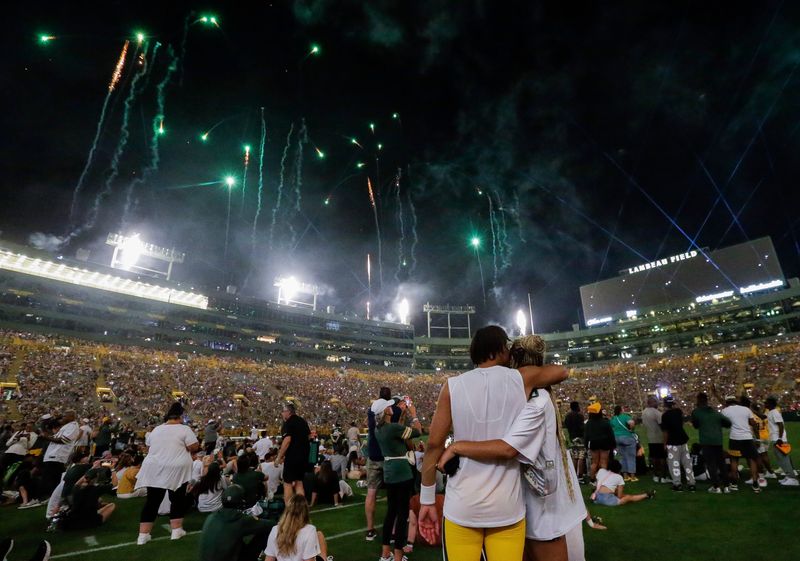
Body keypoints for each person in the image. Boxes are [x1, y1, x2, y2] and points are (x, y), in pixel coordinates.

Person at [418, 325, 568, 560]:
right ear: (499, 348)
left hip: (462, 505)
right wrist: (527, 366)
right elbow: (562, 372)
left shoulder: (452, 386)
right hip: (507, 507)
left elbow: (434, 445)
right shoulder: (521, 378)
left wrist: (427, 499)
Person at [134, 401, 199, 545]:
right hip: (176, 468)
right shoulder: (184, 429)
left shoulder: (157, 429)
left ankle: (143, 535)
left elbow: (149, 445)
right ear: (180, 417)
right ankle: (176, 531)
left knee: (152, 501)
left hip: (154, 467)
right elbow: (194, 446)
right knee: (177, 499)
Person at [375, 398, 422, 561]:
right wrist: (414, 415)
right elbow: (417, 431)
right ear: (386, 411)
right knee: (402, 516)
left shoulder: (379, 429)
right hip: (402, 473)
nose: (392, 406)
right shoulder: (392, 428)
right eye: (389, 406)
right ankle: (398, 556)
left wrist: (402, 416)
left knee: (390, 513)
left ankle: (385, 554)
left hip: (389, 473)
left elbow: (398, 431)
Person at [199, 484, 275, 561]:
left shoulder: (211, 517)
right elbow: (270, 525)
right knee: (267, 531)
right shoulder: (239, 519)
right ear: (241, 501)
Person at [264, 495, 333, 561]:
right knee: (319, 535)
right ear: (305, 512)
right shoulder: (310, 530)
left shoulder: (275, 529)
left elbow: (269, 559)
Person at [690, 392, 731, 493]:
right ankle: (726, 486)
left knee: (711, 464)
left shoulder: (696, 412)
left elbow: (695, 425)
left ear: (698, 401)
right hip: (718, 441)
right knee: (721, 463)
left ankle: (716, 487)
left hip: (706, 441)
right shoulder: (715, 412)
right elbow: (728, 423)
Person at [364, 386, 391, 542]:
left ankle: (369, 530)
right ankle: (392, 531)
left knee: (371, 493)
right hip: (387, 456)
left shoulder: (371, 410)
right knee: (392, 494)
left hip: (373, 456)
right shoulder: (389, 410)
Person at [721, 395, 762, 493]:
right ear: (736, 401)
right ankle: (755, 483)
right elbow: (754, 424)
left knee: (734, 460)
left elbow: (723, 424)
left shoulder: (725, 411)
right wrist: (758, 439)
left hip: (734, 438)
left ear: (726, 402)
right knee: (752, 460)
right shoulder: (746, 409)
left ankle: (734, 484)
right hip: (747, 438)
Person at [39, 410, 80, 500]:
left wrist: (46, 437)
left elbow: (63, 440)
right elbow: (55, 437)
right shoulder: (66, 426)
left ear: (71, 417)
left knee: (52, 479)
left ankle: (53, 497)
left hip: (57, 456)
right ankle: (55, 497)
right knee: (52, 478)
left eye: (65, 416)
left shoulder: (73, 426)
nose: (63, 418)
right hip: (53, 455)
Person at [274, 403, 310, 500]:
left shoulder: (288, 423)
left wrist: (279, 457)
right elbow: (308, 437)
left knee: (287, 483)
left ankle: (289, 510)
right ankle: (301, 509)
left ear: (288, 412)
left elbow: (287, 440)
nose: (282, 414)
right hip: (304, 457)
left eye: (283, 411)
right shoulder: (303, 421)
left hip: (292, 457)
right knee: (299, 482)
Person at [660, 396, 695, 492]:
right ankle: (691, 483)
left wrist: (664, 443)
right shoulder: (678, 412)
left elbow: (665, 432)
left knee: (674, 464)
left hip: (673, 442)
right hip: (683, 440)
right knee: (687, 463)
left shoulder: (665, 415)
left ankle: (677, 484)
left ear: (664, 404)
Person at [765, 396, 799, 486]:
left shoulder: (774, 412)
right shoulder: (771, 412)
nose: (765, 404)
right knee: (780, 460)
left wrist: (780, 438)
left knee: (784, 459)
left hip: (779, 440)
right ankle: (788, 476)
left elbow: (780, 425)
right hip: (776, 439)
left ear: (771, 404)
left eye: (766, 402)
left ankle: (793, 479)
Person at [584, 402, 614, 481]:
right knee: (603, 462)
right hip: (604, 443)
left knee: (594, 463)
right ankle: (603, 479)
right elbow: (611, 434)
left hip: (594, 443)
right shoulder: (605, 422)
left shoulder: (588, 423)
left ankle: (592, 479)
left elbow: (586, 436)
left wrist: (586, 445)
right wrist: (613, 444)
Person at [641, 396, 667, 483]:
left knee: (654, 457)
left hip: (650, 437)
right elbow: (662, 426)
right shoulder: (656, 413)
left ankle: (655, 475)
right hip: (659, 437)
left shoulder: (644, 412)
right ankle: (663, 477)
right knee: (662, 458)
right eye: (656, 402)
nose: (657, 404)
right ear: (652, 402)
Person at [611, 405, 637, 481]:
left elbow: (611, 428)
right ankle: (632, 476)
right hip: (627, 437)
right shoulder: (625, 416)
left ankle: (625, 476)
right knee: (631, 457)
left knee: (622, 457)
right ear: (621, 410)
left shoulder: (613, 418)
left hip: (616, 438)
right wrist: (631, 430)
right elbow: (631, 423)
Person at [563, 402, 586, 483]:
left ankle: (573, 475)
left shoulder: (568, 416)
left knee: (575, 457)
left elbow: (565, 426)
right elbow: (582, 427)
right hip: (580, 438)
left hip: (572, 438)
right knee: (581, 457)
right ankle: (580, 476)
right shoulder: (580, 416)